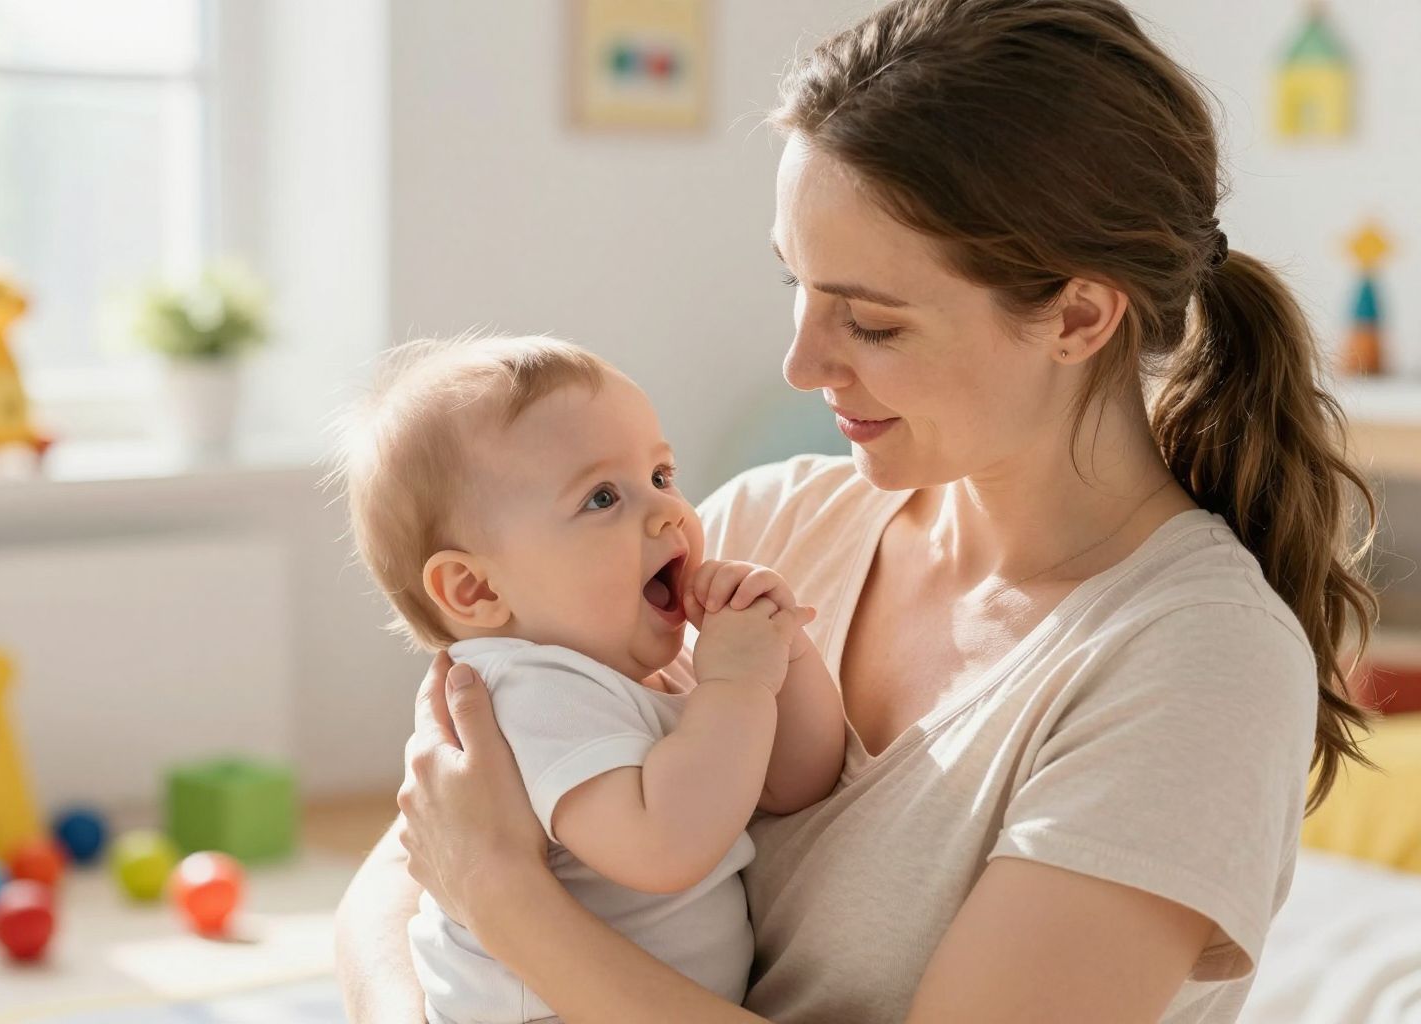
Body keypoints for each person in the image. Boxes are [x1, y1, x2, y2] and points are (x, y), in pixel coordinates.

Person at [336, 1, 1380, 1020]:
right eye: (795, 282)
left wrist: (507, 904)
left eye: (871, 322)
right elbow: (412, 869)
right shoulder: (761, 526)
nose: (801, 362)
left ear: (1076, 314)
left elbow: (475, 870)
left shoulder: (1195, 665)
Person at [335, 336, 845, 1023]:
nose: (668, 511)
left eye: (662, 476)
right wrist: (738, 685)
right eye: (603, 497)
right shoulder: (528, 692)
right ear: (474, 588)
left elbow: (801, 780)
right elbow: (664, 846)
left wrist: (782, 655)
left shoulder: (641, 669)